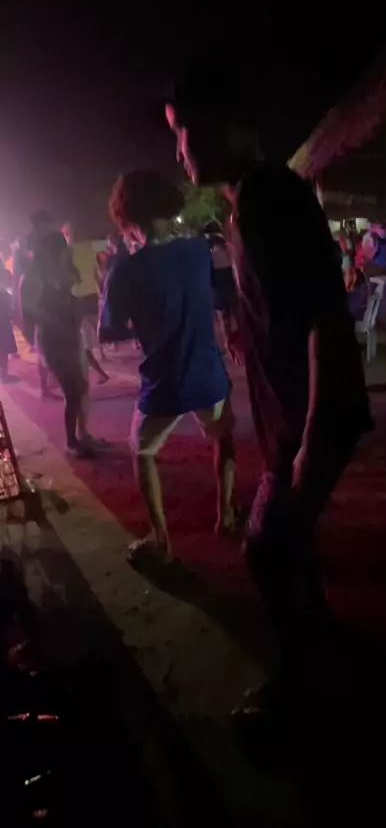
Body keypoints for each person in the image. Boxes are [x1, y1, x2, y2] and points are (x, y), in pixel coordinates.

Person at [166, 74, 372, 719]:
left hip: (313, 414)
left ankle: (300, 683)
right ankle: (321, 637)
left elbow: (324, 318)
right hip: (296, 414)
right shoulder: (250, 201)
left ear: (229, 126)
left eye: (184, 132)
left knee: (264, 546)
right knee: (292, 538)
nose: (180, 151)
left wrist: (311, 437)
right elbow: (286, 305)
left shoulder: (267, 196)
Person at [99, 170, 238, 563]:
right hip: (208, 374)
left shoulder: (125, 269)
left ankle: (161, 542)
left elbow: (109, 331)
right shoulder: (198, 250)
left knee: (142, 451)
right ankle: (226, 514)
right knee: (223, 436)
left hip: (165, 381)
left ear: (128, 219)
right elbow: (220, 295)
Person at [20, 219, 101, 457]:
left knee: (80, 388)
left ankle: (81, 436)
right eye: (61, 250)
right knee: (73, 390)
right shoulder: (34, 277)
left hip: (71, 335)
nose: (65, 253)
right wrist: (57, 317)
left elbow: (75, 289)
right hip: (53, 339)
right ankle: (71, 442)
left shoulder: (60, 270)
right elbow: (28, 313)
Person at [62, 223, 109, 383]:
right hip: (92, 294)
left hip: (77, 297)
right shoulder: (88, 248)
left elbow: (66, 277)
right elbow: (98, 274)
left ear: (68, 234)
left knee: (79, 340)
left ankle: (98, 372)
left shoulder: (67, 251)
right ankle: (102, 354)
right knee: (96, 328)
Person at [0, 257, 18, 382]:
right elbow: (11, 291)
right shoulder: (5, 274)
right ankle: (4, 375)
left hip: (3, 313)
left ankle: (4, 375)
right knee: (4, 346)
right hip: (3, 315)